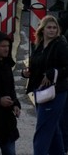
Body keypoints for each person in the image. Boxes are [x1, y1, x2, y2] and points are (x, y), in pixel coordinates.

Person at [21, 14, 68, 155]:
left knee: (42, 129)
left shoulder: (60, 44)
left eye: (55, 28)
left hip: (56, 92)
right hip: (39, 91)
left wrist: (52, 73)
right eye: (49, 27)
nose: (52, 30)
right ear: (43, 29)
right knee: (53, 130)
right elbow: (36, 65)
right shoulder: (39, 44)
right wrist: (25, 73)